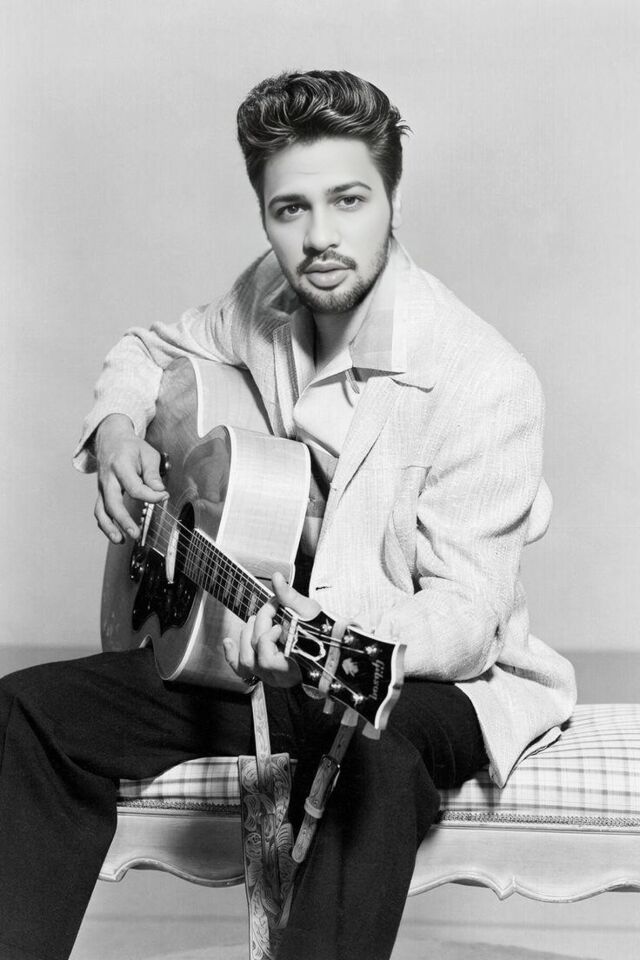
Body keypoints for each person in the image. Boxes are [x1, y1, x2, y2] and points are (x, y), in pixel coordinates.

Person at [0, 70, 576, 960]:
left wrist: (325, 627)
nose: (319, 238)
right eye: (289, 209)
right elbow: (149, 350)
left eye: (348, 200)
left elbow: (465, 620)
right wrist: (116, 430)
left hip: (427, 679)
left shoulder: (483, 379)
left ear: (393, 200)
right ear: (265, 215)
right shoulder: (269, 296)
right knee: (29, 714)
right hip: (255, 651)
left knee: (371, 761)